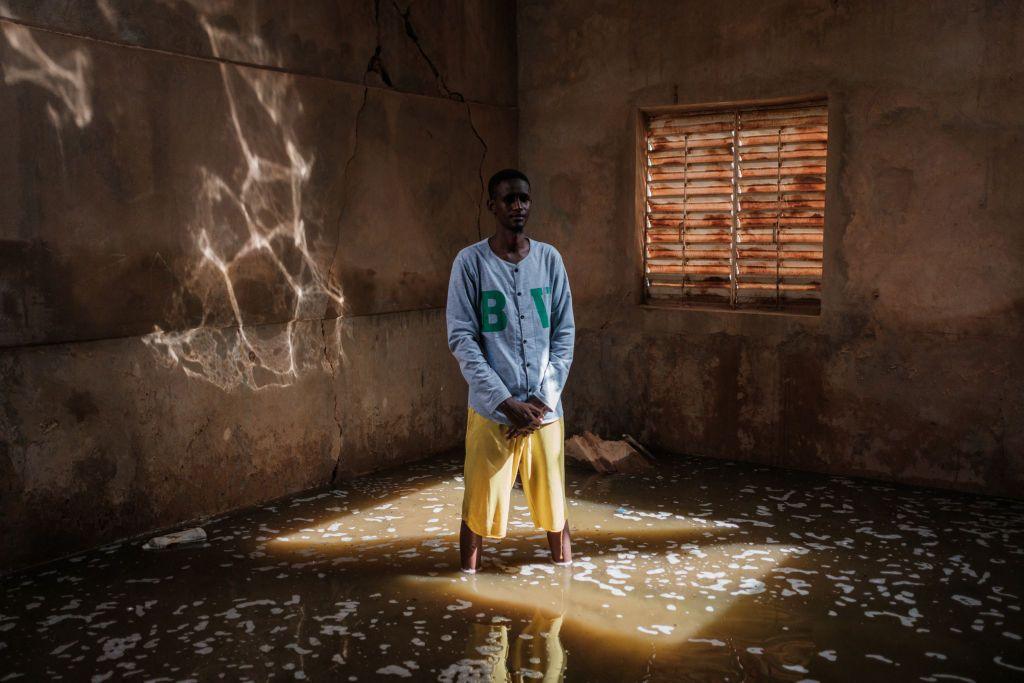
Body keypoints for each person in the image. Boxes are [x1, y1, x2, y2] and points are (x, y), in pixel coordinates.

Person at [446, 168, 575, 573]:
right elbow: (462, 339)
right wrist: (504, 401)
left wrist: (540, 401)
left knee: (555, 508)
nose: (518, 206)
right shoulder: (471, 263)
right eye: (509, 199)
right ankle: (468, 584)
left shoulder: (549, 260)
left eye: (524, 199)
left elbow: (564, 334)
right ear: (492, 206)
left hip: (545, 412)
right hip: (492, 412)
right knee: (478, 507)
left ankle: (564, 578)